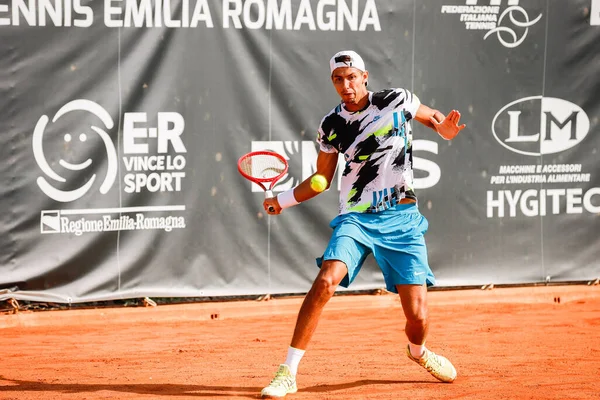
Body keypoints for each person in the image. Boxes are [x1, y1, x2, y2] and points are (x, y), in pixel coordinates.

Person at [260, 50, 466, 398]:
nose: (346, 85)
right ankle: (288, 371)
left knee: (417, 316)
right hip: (356, 217)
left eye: (352, 77)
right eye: (339, 79)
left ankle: (418, 352)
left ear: (365, 76)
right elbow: (322, 179)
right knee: (326, 280)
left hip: (402, 218)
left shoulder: (395, 100)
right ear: (333, 82)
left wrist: (443, 129)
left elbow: (431, 117)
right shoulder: (331, 125)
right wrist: (281, 200)